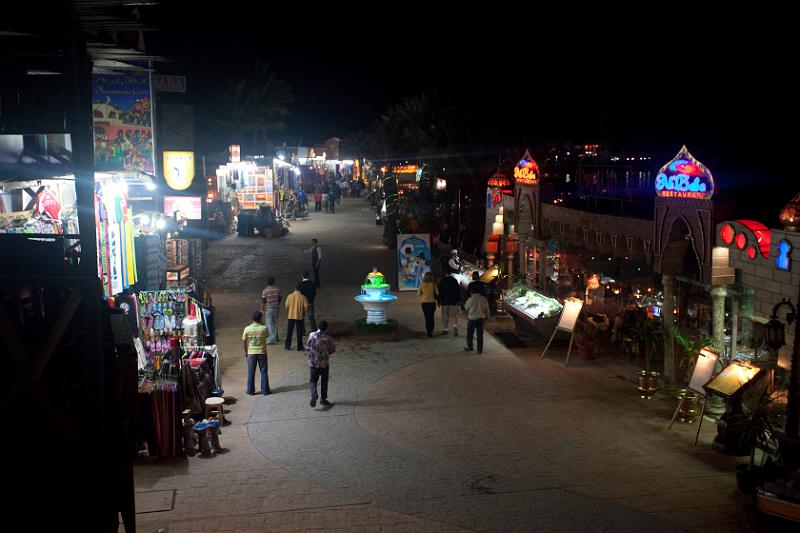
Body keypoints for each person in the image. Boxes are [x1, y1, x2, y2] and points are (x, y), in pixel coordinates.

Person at [307, 319, 335, 408]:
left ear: (318, 327)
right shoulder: (328, 338)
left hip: (313, 362)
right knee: (324, 381)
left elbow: (308, 347)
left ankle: (314, 393)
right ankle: (323, 399)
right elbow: (332, 350)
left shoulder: (312, 335)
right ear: (326, 328)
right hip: (324, 364)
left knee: (313, 380)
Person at [242, 311, 270, 395]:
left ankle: (250, 391)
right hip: (262, 352)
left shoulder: (247, 329)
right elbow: (267, 335)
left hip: (251, 353)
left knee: (251, 372)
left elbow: (244, 342)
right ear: (260, 319)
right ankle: (265, 391)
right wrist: (262, 324)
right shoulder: (264, 328)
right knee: (264, 371)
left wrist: (246, 352)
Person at [464, 283, 490, 354]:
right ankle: (480, 349)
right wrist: (487, 316)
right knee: (480, 335)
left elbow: (466, 307)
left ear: (471, 292)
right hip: (481, 318)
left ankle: (470, 347)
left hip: (472, 318)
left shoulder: (471, 299)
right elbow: (486, 309)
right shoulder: (483, 298)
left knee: (470, 334)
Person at [285, 283, 309, 351]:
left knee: (289, 331)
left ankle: (287, 345)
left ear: (294, 288)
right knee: (299, 332)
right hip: (299, 316)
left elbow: (286, 306)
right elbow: (306, 307)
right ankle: (299, 346)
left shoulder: (289, 296)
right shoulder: (303, 297)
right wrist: (302, 310)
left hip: (291, 315)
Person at [438, 271, 461, 336]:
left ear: (445, 274)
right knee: (454, 314)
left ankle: (446, 329)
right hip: (453, 300)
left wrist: (439, 300)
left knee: (445, 314)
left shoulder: (442, 281)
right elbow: (458, 291)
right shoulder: (454, 280)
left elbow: (439, 291)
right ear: (451, 274)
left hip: (444, 301)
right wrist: (458, 300)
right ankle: (455, 326)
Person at [260, 276, 281, 344]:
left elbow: (263, 301)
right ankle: (276, 337)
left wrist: (261, 309)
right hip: (276, 308)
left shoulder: (265, 291)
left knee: (270, 324)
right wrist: (277, 304)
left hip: (269, 308)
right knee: (275, 323)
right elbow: (279, 299)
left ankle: (271, 339)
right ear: (273, 282)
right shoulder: (278, 289)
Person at [418, 272, 438, 337]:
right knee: (431, 317)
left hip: (425, 303)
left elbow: (418, 294)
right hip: (432, 303)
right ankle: (431, 331)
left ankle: (428, 332)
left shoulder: (422, 284)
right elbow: (437, 293)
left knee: (427, 318)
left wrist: (424, 294)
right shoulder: (433, 284)